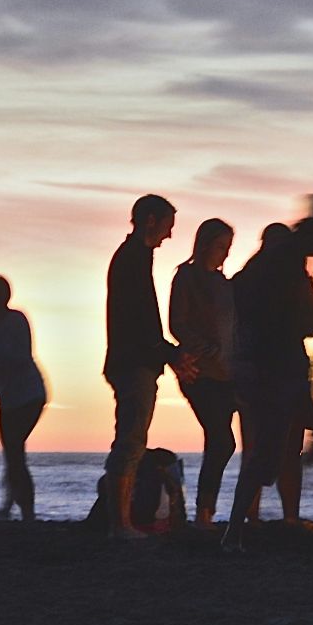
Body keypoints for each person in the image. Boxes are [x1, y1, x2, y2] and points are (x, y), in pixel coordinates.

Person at [224, 196, 313, 551]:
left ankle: (244, 519)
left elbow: (309, 322)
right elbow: (306, 321)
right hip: (275, 370)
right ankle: (235, 530)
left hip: (282, 368)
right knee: (273, 450)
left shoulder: (281, 265)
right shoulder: (283, 261)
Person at [103, 195, 198, 540]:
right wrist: (169, 355)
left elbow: (143, 324)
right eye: (168, 227)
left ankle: (122, 522)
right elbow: (139, 323)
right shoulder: (131, 260)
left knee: (133, 439)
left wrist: (167, 355)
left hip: (136, 360)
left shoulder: (136, 258)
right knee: (130, 440)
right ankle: (120, 525)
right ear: (151, 221)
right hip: (133, 363)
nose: (169, 236)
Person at [169, 218, 238, 528]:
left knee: (221, 441)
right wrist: (203, 348)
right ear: (205, 244)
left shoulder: (225, 285)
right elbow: (177, 323)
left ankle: (206, 513)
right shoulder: (186, 277)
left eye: (228, 248)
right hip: (199, 371)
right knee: (222, 440)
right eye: (220, 246)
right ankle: (203, 513)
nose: (224, 253)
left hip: (228, 373)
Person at [0, 274, 47, 522]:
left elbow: (21, 357)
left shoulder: (16, 320)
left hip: (29, 394)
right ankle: (10, 505)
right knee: (13, 453)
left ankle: (26, 511)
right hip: (8, 396)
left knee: (14, 451)